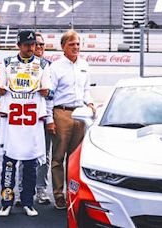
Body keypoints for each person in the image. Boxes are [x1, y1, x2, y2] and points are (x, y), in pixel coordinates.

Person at [0, 30, 53, 217]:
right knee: (9, 165)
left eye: (33, 44)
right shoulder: (7, 63)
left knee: (30, 165)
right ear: (19, 45)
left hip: (31, 126)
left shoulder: (43, 65)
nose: (31, 48)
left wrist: (46, 92)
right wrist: (0, 91)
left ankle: (28, 202)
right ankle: (6, 202)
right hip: (12, 125)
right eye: (27, 45)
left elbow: (50, 92)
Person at [46, 29, 96, 210]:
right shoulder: (55, 67)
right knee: (58, 157)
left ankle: (72, 193)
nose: (75, 47)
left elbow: (86, 90)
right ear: (63, 47)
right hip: (62, 114)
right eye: (71, 44)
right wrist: (49, 119)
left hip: (80, 115)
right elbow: (49, 96)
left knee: (75, 159)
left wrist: (90, 103)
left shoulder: (84, 65)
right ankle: (59, 194)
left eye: (77, 44)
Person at [17, 32, 52, 206]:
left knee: (43, 156)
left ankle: (41, 190)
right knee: (24, 154)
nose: (38, 48)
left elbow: (53, 94)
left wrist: (50, 118)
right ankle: (23, 191)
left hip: (43, 117)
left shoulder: (50, 66)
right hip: (24, 117)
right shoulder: (17, 65)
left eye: (41, 45)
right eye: (35, 44)